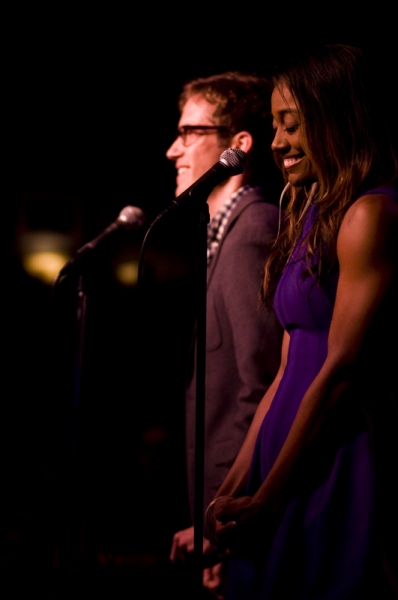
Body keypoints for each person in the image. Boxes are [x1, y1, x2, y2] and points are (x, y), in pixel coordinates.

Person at [205, 44, 398, 599]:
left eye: (291, 124)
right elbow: (286, 372)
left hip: (333, 458)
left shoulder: (371, 214)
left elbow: (339, 372)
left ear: (337, 118)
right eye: (274, 125)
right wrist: (235, 486)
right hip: (282, 459)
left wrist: (271, 497)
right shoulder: (308, 214)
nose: (277, 143)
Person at [165, 71, 284, 597]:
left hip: (240, 517)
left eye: (190, 133)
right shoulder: (229, 234)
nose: (173, 150)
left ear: (238, 145)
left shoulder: (253, 231)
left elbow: (259, 388)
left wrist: (220, 523)